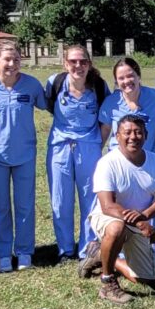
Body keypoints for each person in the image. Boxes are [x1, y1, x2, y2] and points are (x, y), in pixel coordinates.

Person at [0, 44, 46, 272]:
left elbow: (48, 105)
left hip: (25, 153)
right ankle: (3, 254)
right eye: (7, 60)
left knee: (25, 205)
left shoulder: (31, 85)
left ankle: (24, 252)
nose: (11, 64)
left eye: (16, 59)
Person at [79, 114, 155, 304]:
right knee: (117, 227)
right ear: (117, 136)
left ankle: (99, 255)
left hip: (139, 220)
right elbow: (107, 205)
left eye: (138, 132)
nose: (133, 137)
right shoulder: (107, 162)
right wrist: (142, 223)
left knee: (146, 279)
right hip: (108, 216)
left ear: (145, 135)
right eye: (127, 132)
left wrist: (144, 216)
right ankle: (108, 282)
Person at [45, 45, 111, 262]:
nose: (78, 66)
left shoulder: (99, 87)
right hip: (60, 148)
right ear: (65, 63)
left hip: (89, 148)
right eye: (73, 61)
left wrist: (96, 145)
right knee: (60, 200)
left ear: (89, 64)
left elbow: (106, 120)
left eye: (83, 61)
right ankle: (65, 249)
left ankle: (87, 248)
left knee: (90, 199)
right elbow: (49, 106)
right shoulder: (55, 83)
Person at [98, 57, 155, 263]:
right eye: (121, 78)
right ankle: (117, 253)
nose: (127, 81)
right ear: (116, 82)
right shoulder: (111, 102)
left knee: (153, 207)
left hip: (148, 163)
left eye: (130, 76)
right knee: (121, 208)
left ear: (138, 76)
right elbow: (104, 133)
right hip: (120, 165)